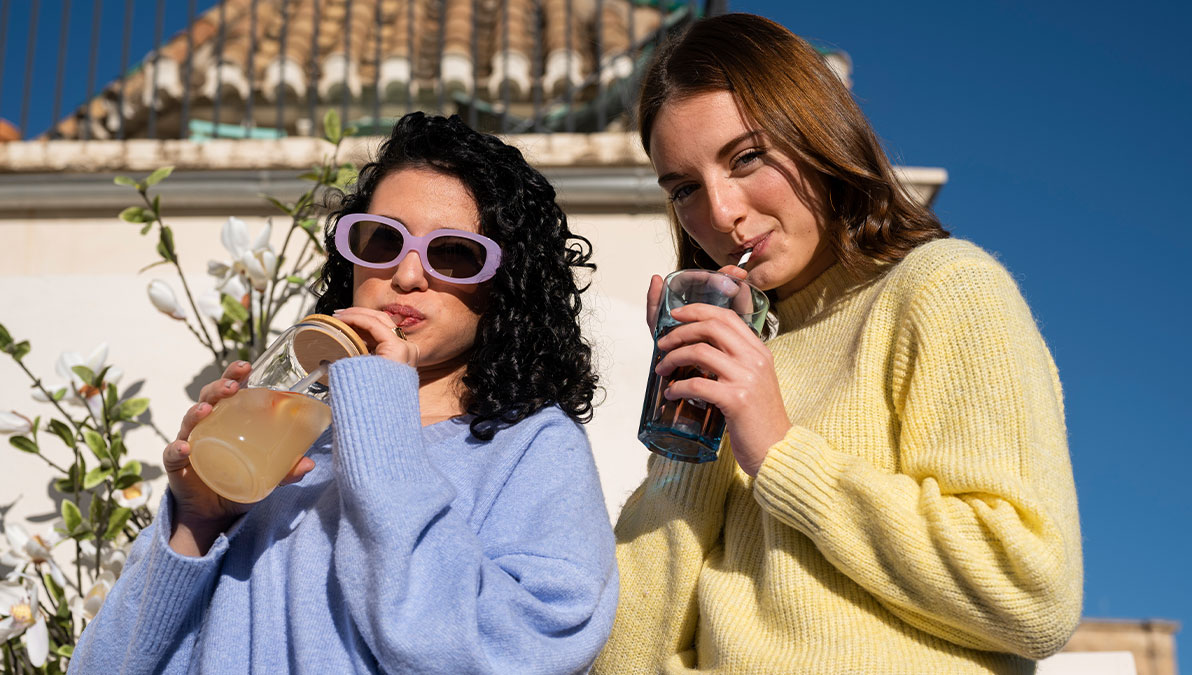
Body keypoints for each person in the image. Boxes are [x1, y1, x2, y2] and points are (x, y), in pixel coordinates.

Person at [593, 13, 1082, 674]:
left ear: (818, 135)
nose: (721, 211)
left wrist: (780, 452)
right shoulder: (740, 347)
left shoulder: (945, 289)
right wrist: (692, 438)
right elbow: (626, 655)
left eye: (746, 158)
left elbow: (1032, 591)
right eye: (684, 189)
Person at [71, 112, 618, 673]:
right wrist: (197, 525)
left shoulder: (532, 446)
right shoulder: (290, 429)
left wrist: (381, 428)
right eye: (383, 240)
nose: (407, 275)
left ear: (508, 281)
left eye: (454, 252)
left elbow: (528, 650)